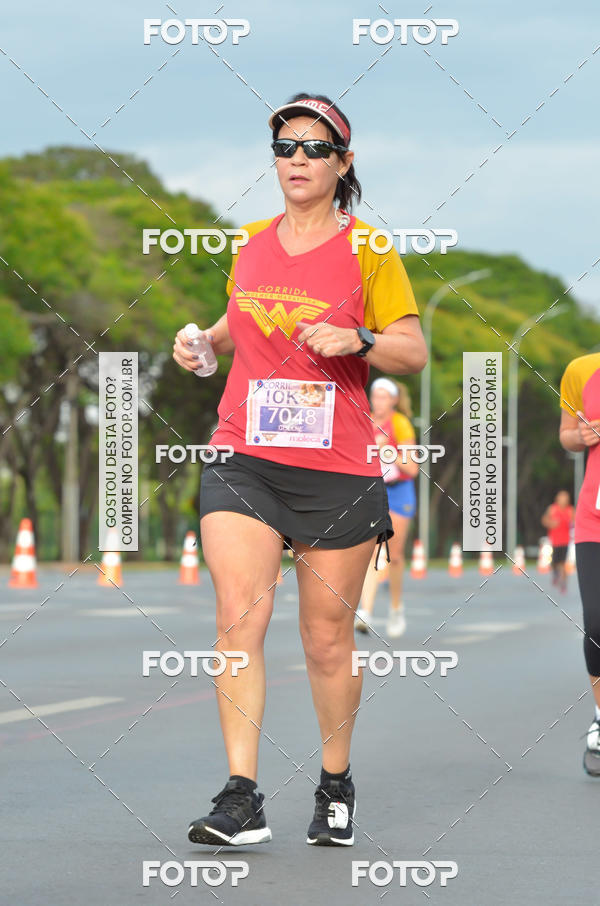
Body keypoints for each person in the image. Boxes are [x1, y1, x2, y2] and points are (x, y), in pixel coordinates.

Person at [172, 92, 426, 845]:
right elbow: (237, 321)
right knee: (237, 617)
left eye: (317, 148)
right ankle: (241, 797)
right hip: (243, 453)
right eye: (286, 146)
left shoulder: (371, 251)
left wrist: (360, 337)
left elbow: (411, 350)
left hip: (337, 468)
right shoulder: (249, 242)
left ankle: (335, 780)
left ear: (343, 163)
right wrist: (204, 344)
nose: (298, 160)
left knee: (325, 641)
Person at [558, 352, 600, 775]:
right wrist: (582, 434)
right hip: (596, 518)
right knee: (598, 622)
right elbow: (567, 435)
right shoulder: (583, 370)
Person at [355, 378, 418, 637]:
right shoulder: (364, 421)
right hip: (373, 490)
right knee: (372, 549)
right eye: (375, 396)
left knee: (394, 555)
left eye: (383, 397)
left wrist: (387, 449)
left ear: (393, 400)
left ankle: (395, 608)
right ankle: (365, 611)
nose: (377, 401)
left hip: (399, 491)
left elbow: (412, 468)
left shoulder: (400, 424)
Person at [541, 490, 574, 593]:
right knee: (554, 562)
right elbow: (544, 520)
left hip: (566, 541)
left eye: (565, 498)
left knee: (563, 563)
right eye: (562, 498)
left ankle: (563, 583)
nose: (564, 500)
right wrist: (551, 523)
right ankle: (555, 574)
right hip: (555, 541)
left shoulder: (570, 510)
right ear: (557, 499)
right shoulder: (552, 509)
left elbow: (576, 521)